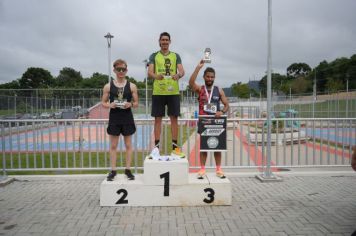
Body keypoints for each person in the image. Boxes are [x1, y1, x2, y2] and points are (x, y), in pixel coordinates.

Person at [189, 59, 229, 179]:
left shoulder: (219, 90)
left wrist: (221, 111)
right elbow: (191, 83)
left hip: (216, 122)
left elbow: (227, 105)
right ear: (204, 77)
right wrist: (198, 67)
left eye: (212, 77)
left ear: (214, 77)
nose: (210, 79)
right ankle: (202, 169)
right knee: (204, 147)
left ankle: (218, 169)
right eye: (208, 77)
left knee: (218, 146)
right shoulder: (200, 89)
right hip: (204, 122)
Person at [148, 32, 185, 155]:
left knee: (174, 119)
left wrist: (178, 75)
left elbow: (182, 71)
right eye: (162, 40)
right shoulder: (154, 55)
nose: (164, 42)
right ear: (159, 41)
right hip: (158, 92)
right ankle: (156, 147)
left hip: (173, 92)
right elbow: (150, 72)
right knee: (157, 119)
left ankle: (175, 147)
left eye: (166, 40)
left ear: (170, 41)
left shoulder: (176, 56)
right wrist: (155, 76)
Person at [101, 59, 138, 181]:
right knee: (113, 145)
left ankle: (128, 170)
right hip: (115, 118)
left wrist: (130, 104)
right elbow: (103, 102)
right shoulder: (108, 86)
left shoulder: (132, 86)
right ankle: (113, 170)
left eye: (123, 69)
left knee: (128, 145)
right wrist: (109, 105)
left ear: (126, 70)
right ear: (114, 70)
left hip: (127, 117)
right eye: (118, 69)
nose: (121, 71)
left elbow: (136, 103)